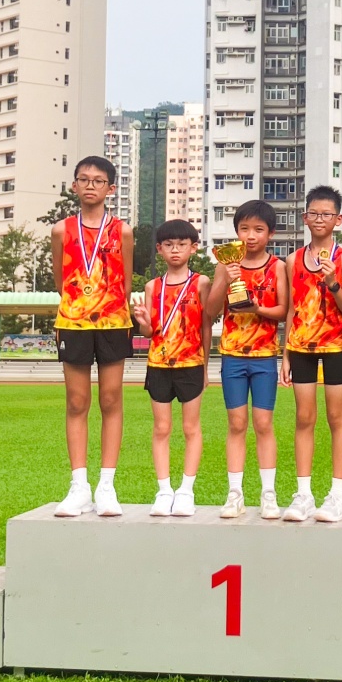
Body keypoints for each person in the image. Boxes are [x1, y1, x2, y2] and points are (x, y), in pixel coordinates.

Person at [52, 156, 135, 518]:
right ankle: (79, 485)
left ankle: (106, 485)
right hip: (73, 323)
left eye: (98, 180)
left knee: (111, 399)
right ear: (74, 185)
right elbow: (60, 281)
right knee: (76, 401)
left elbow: (125, 281)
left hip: (113, 321)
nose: (90, 185)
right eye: (83, 179)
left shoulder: (123, 231)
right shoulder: (61, 230)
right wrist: (79, 304)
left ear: (110, 188)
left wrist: (108, 305)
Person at [209, 199, 289, 518]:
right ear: (236, 232)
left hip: (264, 356)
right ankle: (235, 494)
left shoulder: (278, 267)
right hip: (232, 355)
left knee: (264, 423)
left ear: (270, 233)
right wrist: (225, 279)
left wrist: (257, 309)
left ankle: (268, 494)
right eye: (244, 229)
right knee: (237, 423)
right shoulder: (225, 264)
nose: (251, 236)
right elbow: (211, 310)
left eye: (258, 229)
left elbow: (284, 311)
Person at [282, 186, 342, 522]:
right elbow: (291, 308)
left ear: (338, 220)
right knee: (304, 417)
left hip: (335, 345)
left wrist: (333, 282)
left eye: (326, 214)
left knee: (336, 417)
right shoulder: (293, 260)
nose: (319, 219)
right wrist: (285, 353)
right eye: (313, 213)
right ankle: (304, 494)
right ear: (304, 217)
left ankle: (338, 495)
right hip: (301, 346)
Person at [134, 219, 212, 518]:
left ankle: (186, 490)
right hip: (158, 364)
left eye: (182, 244)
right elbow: (150, 332)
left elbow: (206, 326)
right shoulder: (153, 286)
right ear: (159, 249)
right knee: (162, 428)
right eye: (169, 245)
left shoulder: (201, 283)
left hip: (191, 363)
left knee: (191, 427)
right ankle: (164, 489)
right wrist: (143, 321)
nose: (175, 250)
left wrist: (205, 365)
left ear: (193, 248)